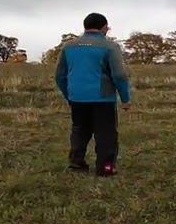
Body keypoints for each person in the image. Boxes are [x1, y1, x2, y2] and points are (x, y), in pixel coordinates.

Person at [54, 12, 132, 176]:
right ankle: (105, 168)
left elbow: (59, 75)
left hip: (77, 97)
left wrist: (69, 94)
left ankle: (76, 163)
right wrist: (125, 98)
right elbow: (119, 75)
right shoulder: (110, 46)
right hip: (103, 98)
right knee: (106, 133)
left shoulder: (68, 47)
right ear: (104, 27)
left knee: (79, 129)